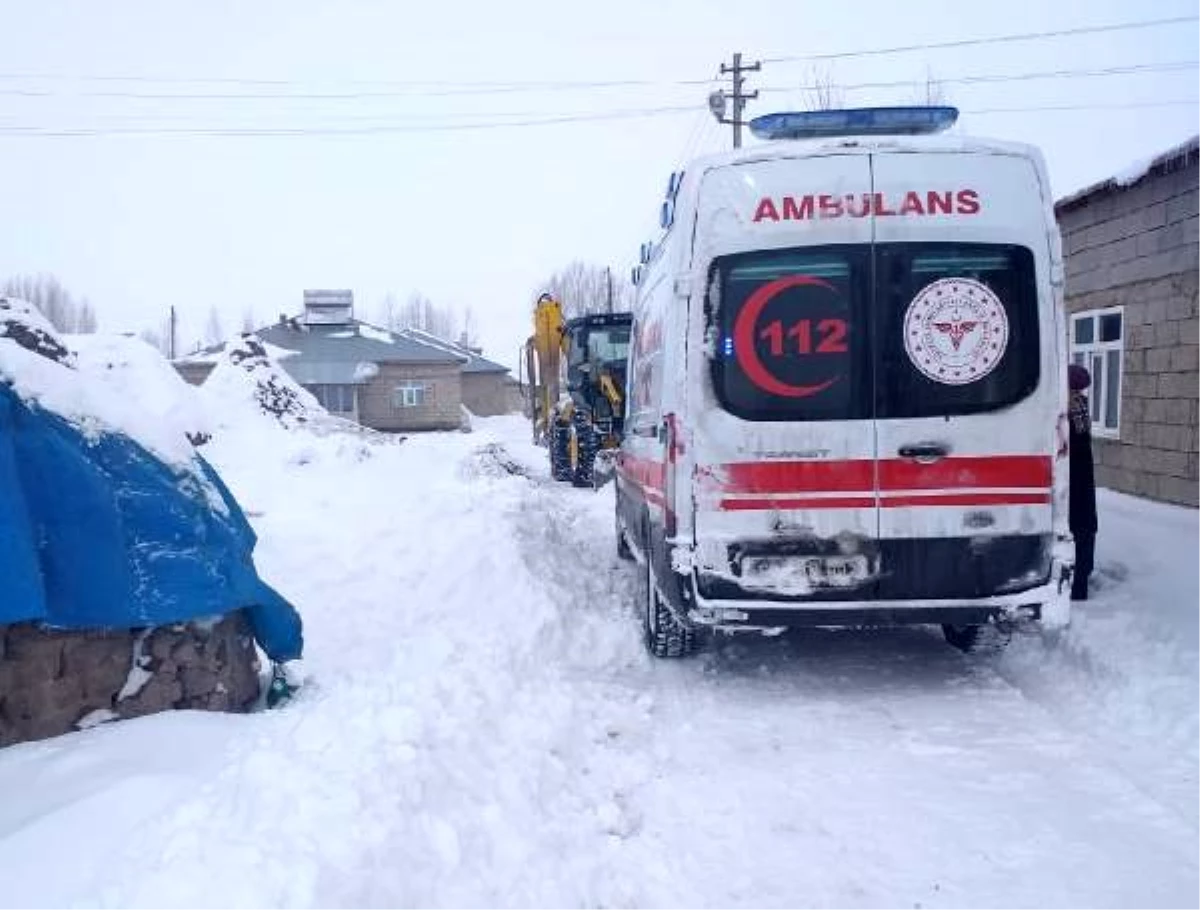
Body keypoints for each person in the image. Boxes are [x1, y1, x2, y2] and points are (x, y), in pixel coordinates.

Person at [1068, 364, 1098, 600]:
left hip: (1074, 477)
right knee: (1085, 528)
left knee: (1077, 528)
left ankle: (1078, 587)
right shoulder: (1082, 408)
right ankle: (1081, 580)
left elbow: (1073, 446)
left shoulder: (1070, 410)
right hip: (1083, 477)